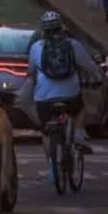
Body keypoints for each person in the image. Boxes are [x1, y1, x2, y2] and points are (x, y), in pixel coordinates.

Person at [27, 10, 100, 171]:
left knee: (46, 133)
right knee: (80, 109)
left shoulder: (36, 47)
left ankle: (52, 169)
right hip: (70, 93)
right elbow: (89, 66)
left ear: (43, 30)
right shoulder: (73, 45)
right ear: (61, 27)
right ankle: (79, 134)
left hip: (44, 96)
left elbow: (30, 70)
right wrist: (96, 78)